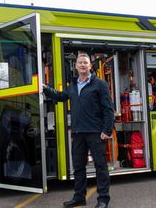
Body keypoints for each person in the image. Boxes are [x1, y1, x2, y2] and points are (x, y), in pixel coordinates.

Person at [43, 53, 114, 208]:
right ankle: (79, 197)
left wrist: (107, 130)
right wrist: (45, 89)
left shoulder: (100, 84)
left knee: (100, 166)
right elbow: (61, 96)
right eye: (80, 62)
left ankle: (103, 199)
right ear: (76, 66)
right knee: (78, 167)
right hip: (78, 132)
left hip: (96, 132)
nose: (82, 65)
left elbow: (108, 109)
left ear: (90, 66)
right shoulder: (73, 85)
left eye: (85, 63)